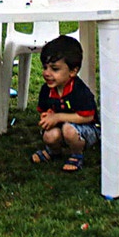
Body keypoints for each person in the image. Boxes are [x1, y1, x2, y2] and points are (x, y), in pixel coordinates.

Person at [30, 35, 100, 173]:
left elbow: (87, 117)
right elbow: (43, 110)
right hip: (62, 127)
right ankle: (54, 151)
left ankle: (76, 154)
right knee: (49, 136)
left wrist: (57, 117)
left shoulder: (79, 90)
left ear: (73, 71)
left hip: (87, 129)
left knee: (69, 130)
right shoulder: (47, 90)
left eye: (55, 69)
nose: (47, 73)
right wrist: (47, 117)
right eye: (45, 67)